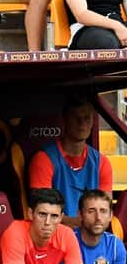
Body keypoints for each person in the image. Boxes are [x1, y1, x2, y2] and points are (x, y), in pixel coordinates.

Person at [28, 97, 112, 228]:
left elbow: (106, 209)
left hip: (90, 233)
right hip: (55, 233)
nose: (82, 123)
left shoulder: (102, 162)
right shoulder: (44, 159)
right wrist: (72, 223)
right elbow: (41, 211)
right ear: (64, 120)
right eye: (76, 118)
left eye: (87, 118)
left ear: (92, 123)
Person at [60, 0, 127, 50]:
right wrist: (118, 27)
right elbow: (81, 15)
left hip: (118, 26)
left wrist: (121, 28)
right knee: (105, 41)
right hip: (85, 29)